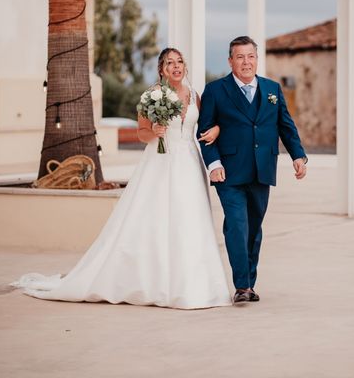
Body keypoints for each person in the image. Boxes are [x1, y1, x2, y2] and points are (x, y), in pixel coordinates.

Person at [12, 48, 232, 310]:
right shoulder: (153, 95)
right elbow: (141, 133)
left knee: (191, 218)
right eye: (169, 63)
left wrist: (217, 129)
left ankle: (197, 285)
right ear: (162, 69)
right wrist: (155, 132)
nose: (176, 66)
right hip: (161, 163)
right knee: (158, 218)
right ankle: (157, 283)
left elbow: (209, 122)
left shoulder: (195, 96)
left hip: (189, 163)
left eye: (179, 61)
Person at [197, 35, 307, 304]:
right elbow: (204, 132)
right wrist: (213, 164)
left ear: (257, 59)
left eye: (251, 56)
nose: (246, 62)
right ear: (230, 61)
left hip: (262, 169)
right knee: (237, 226)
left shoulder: (272, 89)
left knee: (254, 228)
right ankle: (242, 286)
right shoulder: (215, 90)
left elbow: (285, 125)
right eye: (240, 57)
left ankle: (249, 281)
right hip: (229, 172)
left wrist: (298, 155)